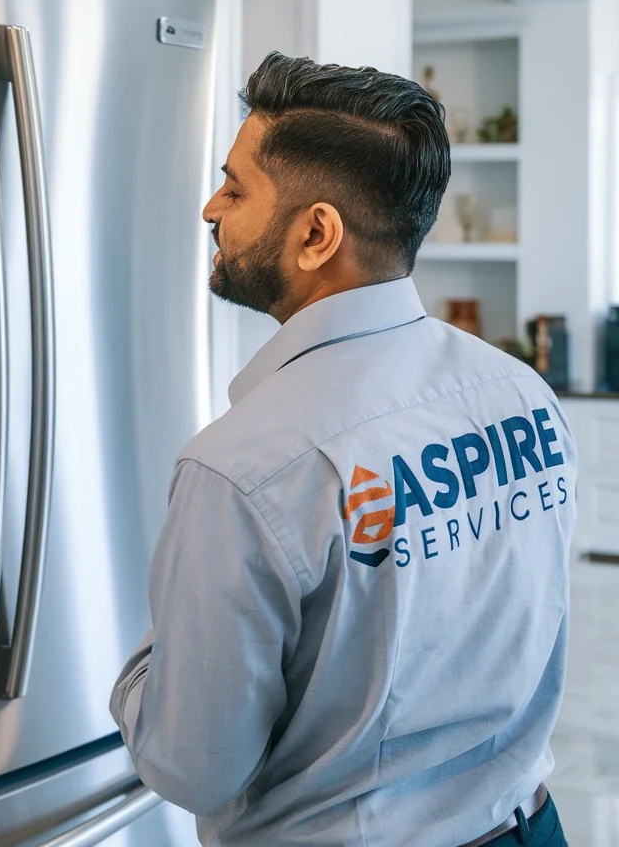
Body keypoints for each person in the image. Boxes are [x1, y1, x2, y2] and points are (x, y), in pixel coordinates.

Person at [110, 53, 574, 847]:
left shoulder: (245, 470)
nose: (211, 207)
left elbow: (192, 767)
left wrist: (143, 672)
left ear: (317, 234)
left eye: (236, 185)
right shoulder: (517, 390)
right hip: (528, 830)